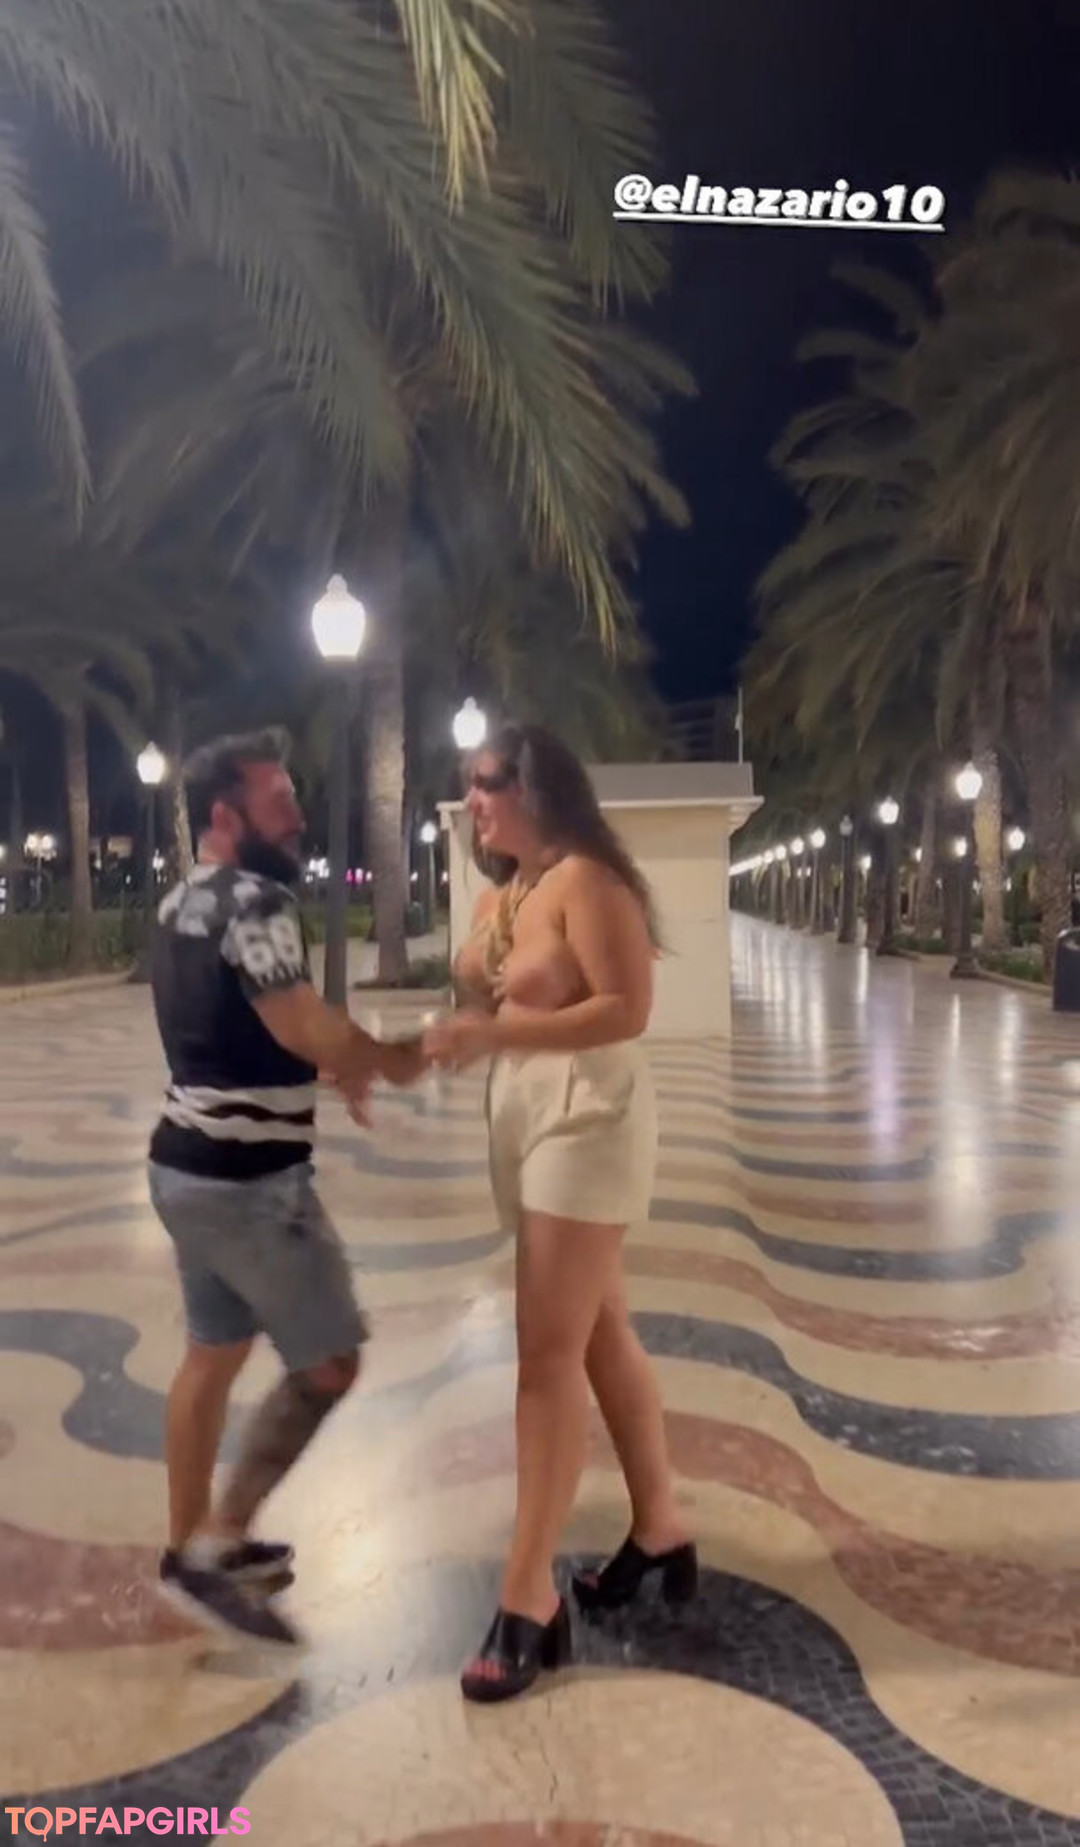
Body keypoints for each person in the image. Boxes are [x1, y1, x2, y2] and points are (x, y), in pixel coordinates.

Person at [424, 724, 696, 1703]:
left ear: (538, 786)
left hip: (589, 1113)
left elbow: (627, 1007)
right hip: (527, 1112)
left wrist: (496, 1030)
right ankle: (661, 1526)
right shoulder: (506, 896)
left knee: (544, 1353)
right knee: (599, 1329)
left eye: (489, 782)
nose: (474, 800)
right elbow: (488, 1002)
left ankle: (527, 1593)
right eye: (469, 786)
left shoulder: (589, 879)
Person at [148, 728, 424, 1645]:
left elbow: (242, 1025)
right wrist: (387, 1057)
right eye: (279, 802)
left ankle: (188, 1548)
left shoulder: (180, 900)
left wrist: (325, 1062)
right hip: (250, 1183)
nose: (298, 815)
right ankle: (216, 1542)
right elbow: (299, 1020)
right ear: (226, 816)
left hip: (182, 1167)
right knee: (330, 1364)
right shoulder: (258, 900)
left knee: (211, 1355)